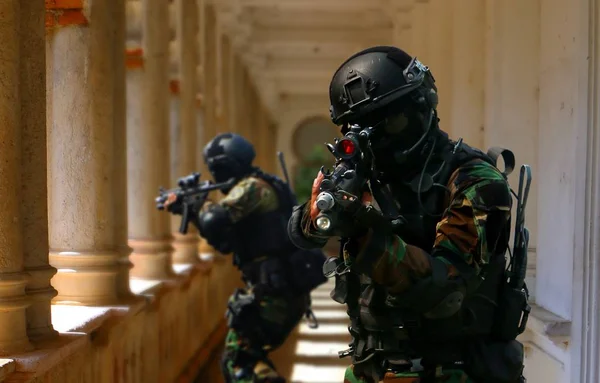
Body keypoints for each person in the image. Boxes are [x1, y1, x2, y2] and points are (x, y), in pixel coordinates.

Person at [287, 46, 528, 383]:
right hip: (372, 367)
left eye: (390, 124)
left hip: (453, 371)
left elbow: (445, 288)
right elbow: (302, 232)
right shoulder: (371, 173)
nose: (379, 142)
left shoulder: (474, 179)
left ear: (422, 106)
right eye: (362, 131)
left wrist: (364, 234)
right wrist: (320, 212)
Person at [164, 133, 326, 383]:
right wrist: (193, 210)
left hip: (275, 293)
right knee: (245, 358)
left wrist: (195, 203)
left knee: (238, 360)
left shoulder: (252, 187)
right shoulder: (264, 184)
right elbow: (225, 240)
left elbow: (215, 220)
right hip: (281, 290)